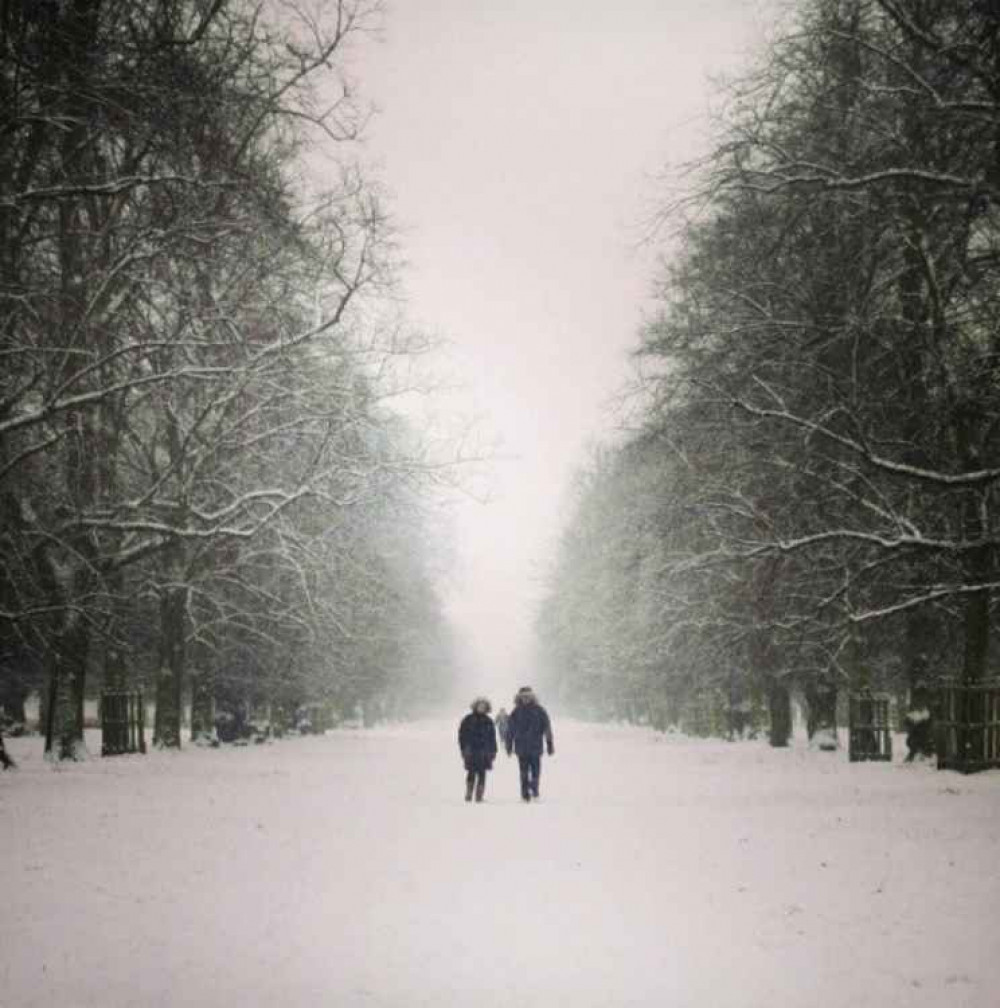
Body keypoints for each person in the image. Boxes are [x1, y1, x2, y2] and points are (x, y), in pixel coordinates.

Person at [505, 685, 554, 802]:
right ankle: (524, 794)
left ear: (532, 697)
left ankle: (535, 790)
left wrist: (550, 743)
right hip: (521, 748)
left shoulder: (540, 711)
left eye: (528, 697)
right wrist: (509, 745)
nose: (526, 699)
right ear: (519, 698)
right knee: (523, 772)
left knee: (536, 771)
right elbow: (510, 730)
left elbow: (547, 728)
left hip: (536, 747)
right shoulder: (516, 712)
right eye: (523, 697)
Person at [458, 697, 498, 802]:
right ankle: (469, 793)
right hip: (471, 751)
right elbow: (462, 735)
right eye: (480, 706)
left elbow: (492, 737)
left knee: (482, 773)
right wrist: (463, 748)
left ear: (486, 708)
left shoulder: (489, 721)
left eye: (483, 706)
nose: (481, 708)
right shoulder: (468, 719)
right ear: (475, 706)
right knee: (471, 772)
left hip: (484, 752)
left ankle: (479, 795)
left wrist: (494, 750)